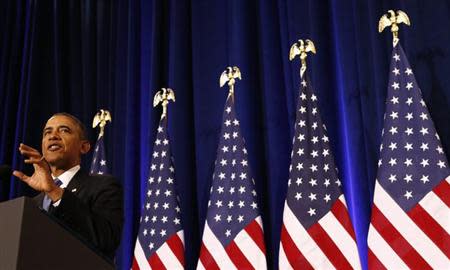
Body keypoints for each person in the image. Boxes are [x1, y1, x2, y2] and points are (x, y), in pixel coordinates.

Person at [13, 112, 123, 260]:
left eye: (64, 130)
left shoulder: (103, 186)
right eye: (47, 132)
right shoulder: (33, 204)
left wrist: (54, 191)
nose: (53, 136)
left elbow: (106, 239)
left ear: (83, 147)